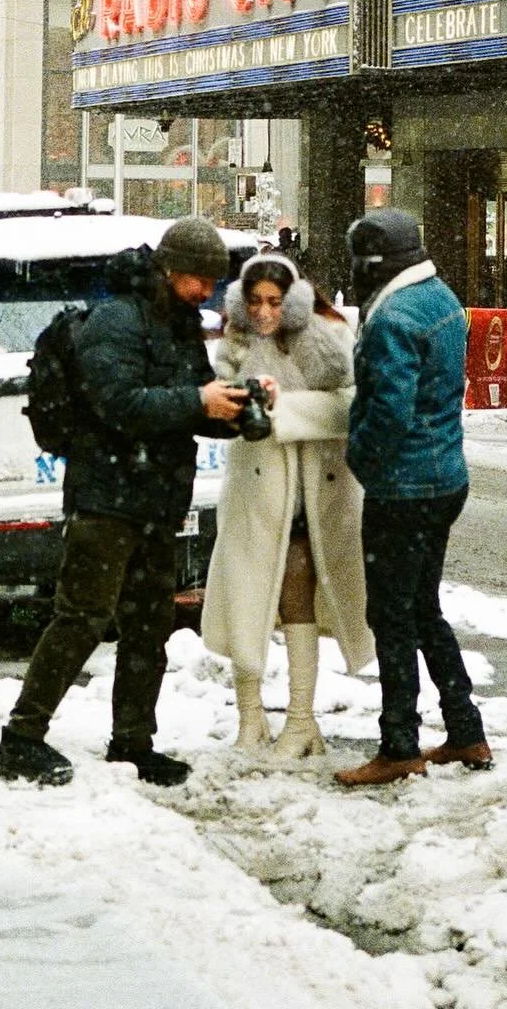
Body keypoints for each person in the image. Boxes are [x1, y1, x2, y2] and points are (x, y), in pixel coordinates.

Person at [0, 217, 249, 788]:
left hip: (157, 500)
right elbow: (118, 404)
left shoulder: (179, 324)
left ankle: (133, 742)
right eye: (200, 279)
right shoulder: (117, 318)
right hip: (106, 499)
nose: (206, 292)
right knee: (81, 618)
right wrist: (196, 401)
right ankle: (21, 738)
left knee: (147, 626)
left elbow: (189, 405)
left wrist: (240, 411)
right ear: (172, 268)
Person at [335, 209, 491, 788]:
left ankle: (399, 743)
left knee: (392, 615)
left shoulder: (392, 317)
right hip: (446, 477)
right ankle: (465, 729)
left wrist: (361, 460)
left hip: (403, 487)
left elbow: (388, 412)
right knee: (425, 609)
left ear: (375, 262)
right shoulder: (441, 297)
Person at [202, 254, 372, 758]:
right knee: (248, 598)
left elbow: (349, 405)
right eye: (254, 300)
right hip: (255, 491)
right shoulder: (233, 341)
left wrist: (283, 408)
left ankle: (301, 721)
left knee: (300, 597)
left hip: (316, 490)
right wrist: (240, 402)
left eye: (274, 301)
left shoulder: (328, 336)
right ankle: (250, 718)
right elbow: (220, 405)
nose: (263, 311)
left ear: (294, 299)